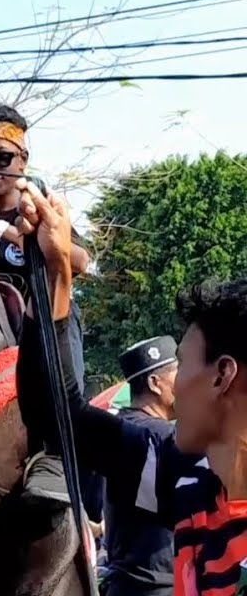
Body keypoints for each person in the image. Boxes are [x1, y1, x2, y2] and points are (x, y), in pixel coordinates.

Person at [15, 177, 247, 596]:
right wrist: (54, 275)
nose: (177, 390)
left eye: (183, 365)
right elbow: (55, 415)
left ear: (222, 375)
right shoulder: (187, 474)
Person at [0, 104, 101, 511]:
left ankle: (56, 457)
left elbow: (80, 262)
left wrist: (8, 234)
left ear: (23, 159)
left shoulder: (40, 209)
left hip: (43, 330)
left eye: (1, 158)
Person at [100, 336, 177, 596]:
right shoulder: (162, 436)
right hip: (159, 585)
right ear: (155, 383)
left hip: (123, 582)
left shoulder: (115, 430)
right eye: (179, 372)